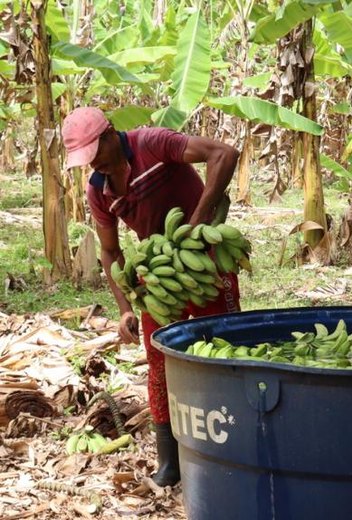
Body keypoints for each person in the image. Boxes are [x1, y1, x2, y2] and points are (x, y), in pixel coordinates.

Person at [62, 107, 241, 487]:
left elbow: (224, 153)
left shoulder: (152, 143)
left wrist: (197, 223)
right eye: (88, 159)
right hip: (159, 276)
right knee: (159, 364)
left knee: (226, 350)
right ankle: (169, 459)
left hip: (205, 261)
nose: (96, 163)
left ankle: (236, 443)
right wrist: (124, 307)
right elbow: (110, 252)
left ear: (111, 133)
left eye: (98, 152)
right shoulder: (99, 188)